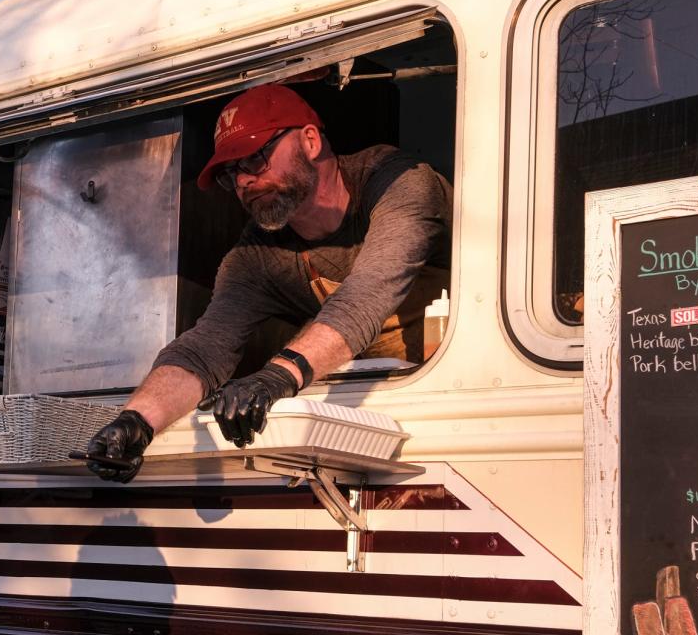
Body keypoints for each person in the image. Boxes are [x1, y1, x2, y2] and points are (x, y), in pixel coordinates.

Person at [85, 83, 452, 481]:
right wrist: (137, 421)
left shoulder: (400, 183)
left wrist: (276, 376)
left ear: (310, 141)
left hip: (445, 407)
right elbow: (206, 347)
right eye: (231, 173)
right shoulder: (257, 256)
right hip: (362, 428)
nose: (242, 181)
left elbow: (367, 293)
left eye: (254, 159)